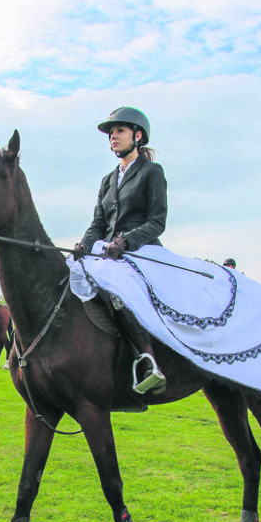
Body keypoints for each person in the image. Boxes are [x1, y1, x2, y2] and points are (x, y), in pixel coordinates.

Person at [72, 106, 168, 394]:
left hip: (141, 250)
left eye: (119, 131)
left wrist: (125, 241)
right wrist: (84, 245)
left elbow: (157, 222)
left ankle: (147, 359)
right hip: (107, 251)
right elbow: (98, 223)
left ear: (137, 136)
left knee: (117, 286)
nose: (113, 137)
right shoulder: (107, 180)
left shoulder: (152, 172)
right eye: (111, 133)